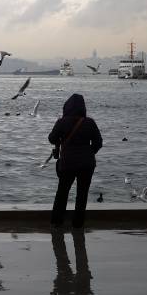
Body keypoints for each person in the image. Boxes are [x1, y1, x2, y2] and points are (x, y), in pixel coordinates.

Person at [48, 94, 102, 228]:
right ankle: (78, 225)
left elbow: (52, 138)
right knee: (82, 195)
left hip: (67, 163)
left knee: (62, 193)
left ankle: (56, 223)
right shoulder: (90, 122)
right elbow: (98, 143)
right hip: (87, 164)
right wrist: (89, 153)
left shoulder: (62, 122)